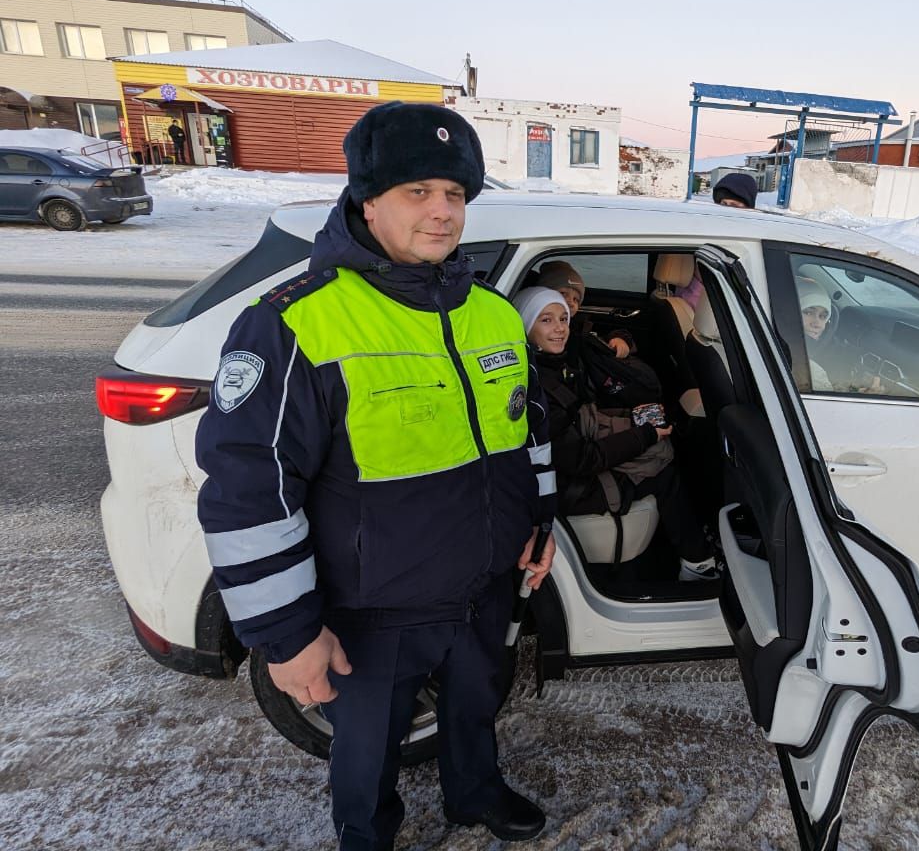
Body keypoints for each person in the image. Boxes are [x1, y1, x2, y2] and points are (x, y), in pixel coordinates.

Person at [195, 101, 557, 849]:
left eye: (455, 194)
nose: (442, 212)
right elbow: (248, 488)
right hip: (374, 609)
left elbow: (527, 432)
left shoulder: (491, 315)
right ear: (367, 197)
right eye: (418, 192)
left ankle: (473, 793)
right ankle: (367, 836)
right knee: (365, 752)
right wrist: (289, 637)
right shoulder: (299, 321)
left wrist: (541, 525)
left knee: (475, 708)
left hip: (484, 587)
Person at [514, 286, 718, 583]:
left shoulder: (555, 362)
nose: (560, 329)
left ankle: (693, 552)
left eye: (563, 318)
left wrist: (635, 421)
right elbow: (582, 460)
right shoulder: (537, 389)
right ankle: (698, 564)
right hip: (569, 488)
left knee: (665, 450)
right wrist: (645, 435)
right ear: (524, 324)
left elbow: (584, 419)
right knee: (664, 473)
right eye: (546, 320)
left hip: (573, 466)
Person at [535, 259, 663, 409]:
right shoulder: (556, 340)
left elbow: (596, 338)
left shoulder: (576, 327)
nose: (570, 302)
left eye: (576, 299)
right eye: (563, 294)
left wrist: (619, 338)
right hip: (587, 403)